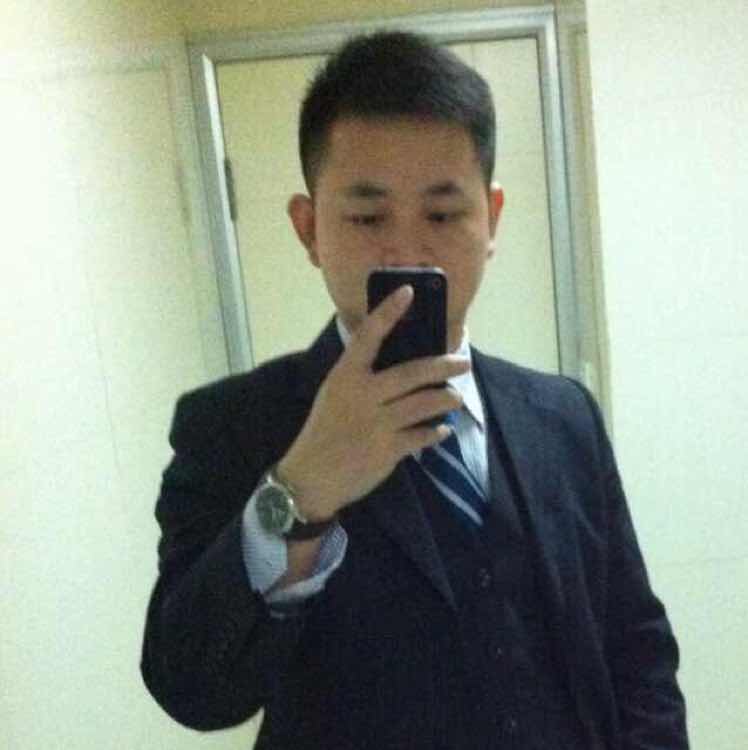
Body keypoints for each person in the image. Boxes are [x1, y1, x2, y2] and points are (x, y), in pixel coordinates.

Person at [141, 31, 689, 750]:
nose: (407, 250)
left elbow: (636, 647)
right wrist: (301, 490)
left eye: (443, 213)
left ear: (491, 220)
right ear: (309, 230)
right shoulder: (232, 424)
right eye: (368, 217)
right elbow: (191, 690)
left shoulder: (562, 416)